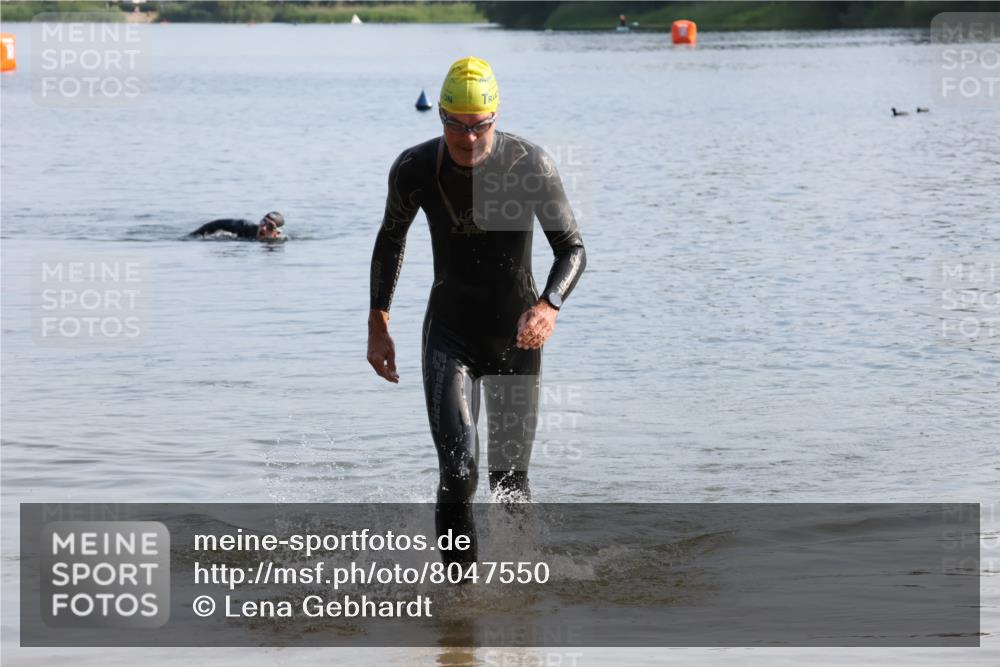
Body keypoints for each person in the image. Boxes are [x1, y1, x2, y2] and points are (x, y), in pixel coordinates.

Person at [367, 56, 586, 568]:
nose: (467, 139)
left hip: (516, 336)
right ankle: (458, 605)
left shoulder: (530, 164)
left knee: (509, 480)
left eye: (479, 126)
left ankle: (517, 593)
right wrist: (378, 325)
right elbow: (390, 240)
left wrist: (548, 306)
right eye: (455, 125)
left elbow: (572, 248)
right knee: (459, 470)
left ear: (496, 116)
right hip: (450, 333)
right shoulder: (414, 168)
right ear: (439, 115)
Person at [188, 211, 285, 241]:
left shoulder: (281, 241)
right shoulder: (245, 227)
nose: (263, 228)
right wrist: (193, 236)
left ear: (277, 233)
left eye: (270, 226)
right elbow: (216, 224)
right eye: (263, 222)